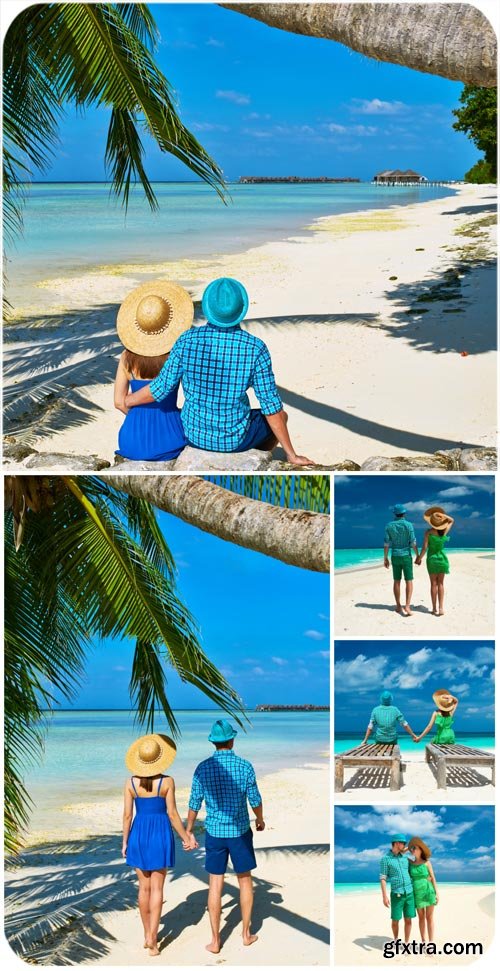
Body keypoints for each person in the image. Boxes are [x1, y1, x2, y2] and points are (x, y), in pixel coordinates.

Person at [124, 276, 313, 465]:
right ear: (241, 310)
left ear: (208, 309)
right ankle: (260, 457)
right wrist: (291, 454)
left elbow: (161, 387)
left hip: (193, 435)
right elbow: (271, 407)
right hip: (234, 440)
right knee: (281, 416)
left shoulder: (186, 340)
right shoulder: (255, 348)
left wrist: (128, 400)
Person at [186, 719, 265, 954]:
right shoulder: (245, 766)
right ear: (232, 740)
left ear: (213, 742)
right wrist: (260, 819)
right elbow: (255, 800)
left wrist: (189, 828)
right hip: (240, 831)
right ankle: (246, 934)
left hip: (214, 833)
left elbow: (194, 803)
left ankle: (215, 940)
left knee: (215, 884)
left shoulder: (202, 768)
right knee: (245, 881)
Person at [122, 733, 198, 956]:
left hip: (138, 834)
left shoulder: (130, 783)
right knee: (157, 888)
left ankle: (147, 934)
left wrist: (125, 841)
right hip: (159, 835)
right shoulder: (167, 782)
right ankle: (153, 940)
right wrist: (186, 838)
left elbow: (127, 816)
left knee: (143, 888)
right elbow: (173, 814)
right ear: (159, 759)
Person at [114, 281, 194, 461]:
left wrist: (139, 416)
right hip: (170, 438)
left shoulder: (126, 357)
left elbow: (119, 402)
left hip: (131, 440)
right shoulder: (175, 356)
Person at [416, 507, 454, 616]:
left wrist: (419, 558)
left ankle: (433, 609)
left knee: (433, 584)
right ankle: (441, 608)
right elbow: (452, 520)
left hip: (432, 559)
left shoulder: (428, 532)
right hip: (442, 559)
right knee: (441, 583)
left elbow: (424, 548)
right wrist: (441, 516)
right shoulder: (444, 531)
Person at [383, 504, 419, 616]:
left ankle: (398, 605)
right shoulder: (409, 525)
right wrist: (417, 555)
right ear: (404, 513)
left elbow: (386, 543)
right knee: (409, 580)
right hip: (406, 556)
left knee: (396, 581)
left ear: (395, 513)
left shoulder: (389, 526)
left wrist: (385, 558)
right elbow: (413, 543)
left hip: (395, 555)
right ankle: (407, 606)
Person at [380, 835, 415, 943]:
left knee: (408, 920)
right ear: (396, 843)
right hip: (397, 894)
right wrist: (384, 896)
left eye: (405, 843)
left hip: (409, 893)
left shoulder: (405, 858)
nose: (404, 845)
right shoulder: (385, 859)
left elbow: (410, 873)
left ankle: (406, 943)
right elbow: (383, 878)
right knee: (395, 920)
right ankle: (395, 940)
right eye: (403, 843)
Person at [408, 837, 438, 943]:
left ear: (421, 849)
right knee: (421, 918)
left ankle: (431, 942)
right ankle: (423, 941)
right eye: (412, 849)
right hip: (416, 893)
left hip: (428, 891)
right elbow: (400, 855)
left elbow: (433, 878)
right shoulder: (410, 863)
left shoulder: (427, 862)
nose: (413, 850)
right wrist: (408, 848)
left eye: (415, 848)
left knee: (429, 918)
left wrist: (437, 893)